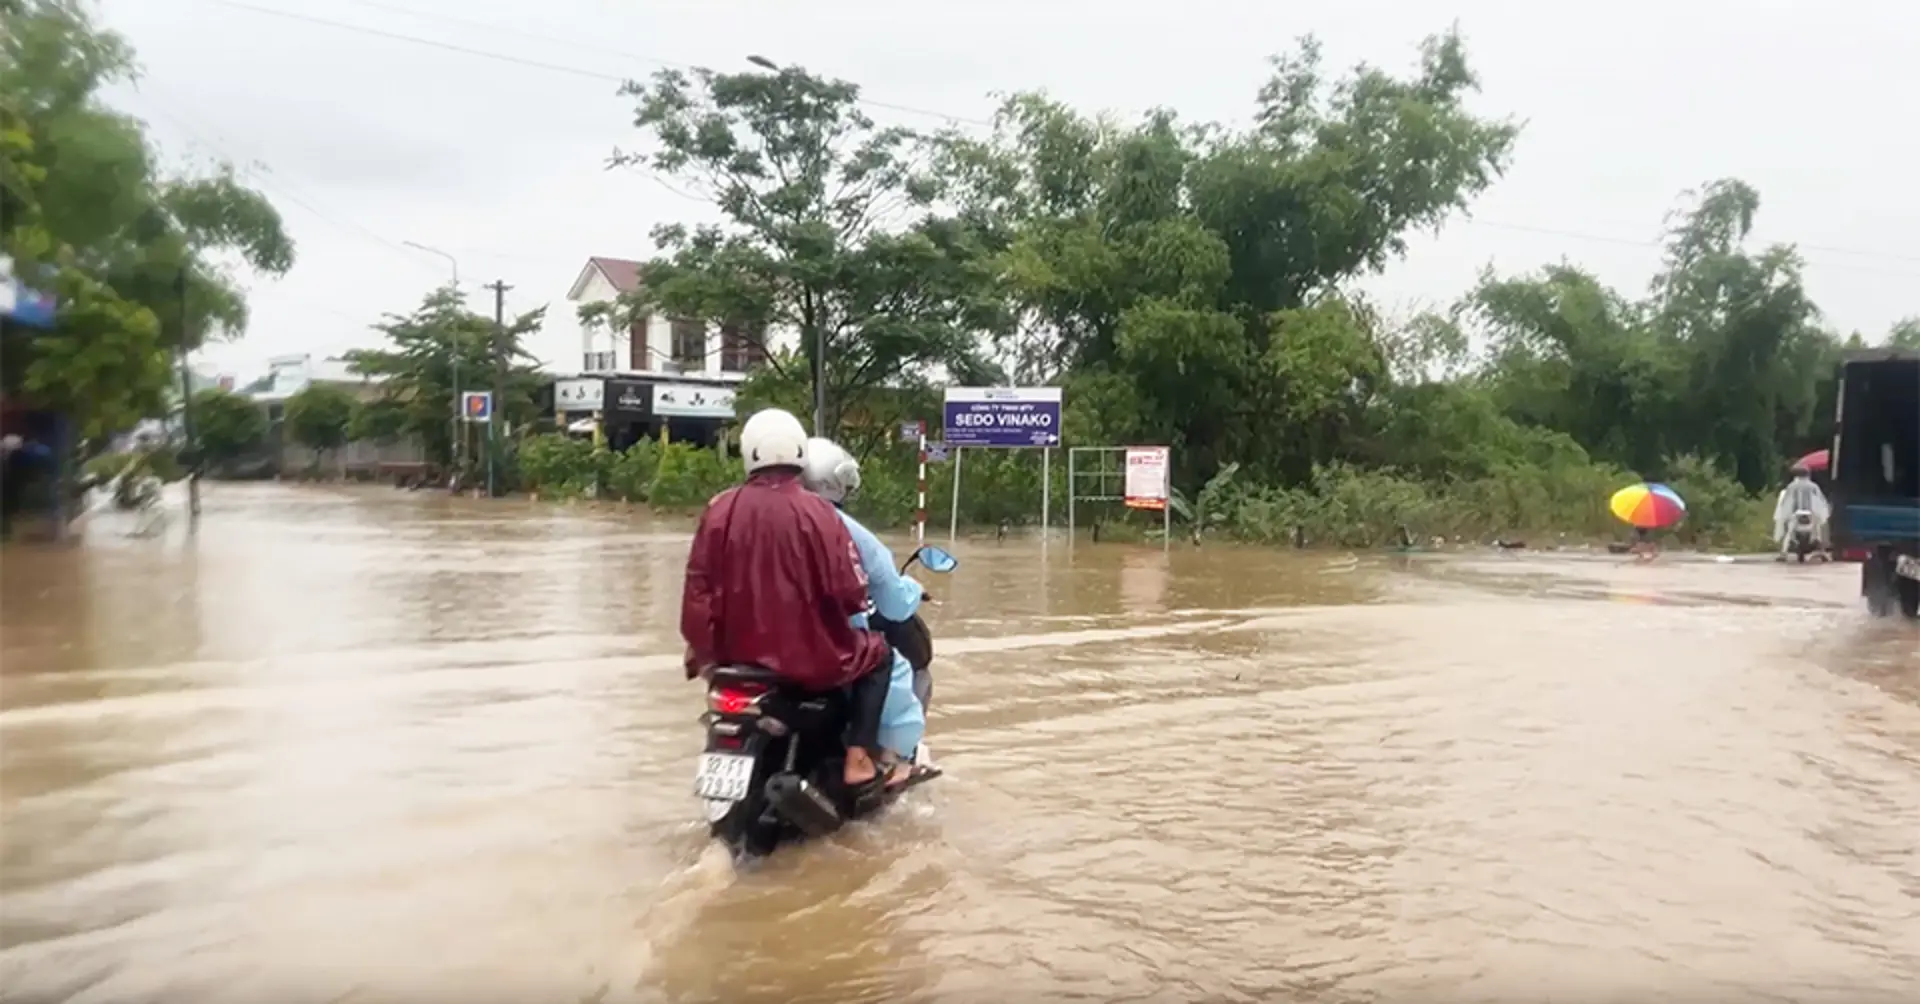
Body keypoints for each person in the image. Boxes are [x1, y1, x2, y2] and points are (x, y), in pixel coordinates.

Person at [680, 408, 898, 789]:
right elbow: (850, 594)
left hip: (731, 661)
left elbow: (696, 594)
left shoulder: (718, 509)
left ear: (749, 452)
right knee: (880, 655)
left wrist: (703, 652)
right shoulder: (820, 513)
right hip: (809, 663)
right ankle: (859, 760)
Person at [801, 437, 926, 787]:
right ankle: (885, 758)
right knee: (886, 661)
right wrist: (915, 590)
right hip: (822, 646)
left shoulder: (747, 516)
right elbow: (893, 600)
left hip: (752, 644)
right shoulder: (843, 527)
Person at [1773, 463, 1831, 561]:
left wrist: (1784, 514)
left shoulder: (1791, 486)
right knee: (1818, 531)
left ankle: (1783, 553)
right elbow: (1820, 500)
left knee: (1789, 532)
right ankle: (1822, 552)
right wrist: (1823, 513)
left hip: (1795, 514)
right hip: (1811, 514)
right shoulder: (1813, 486)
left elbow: (1787, 502)